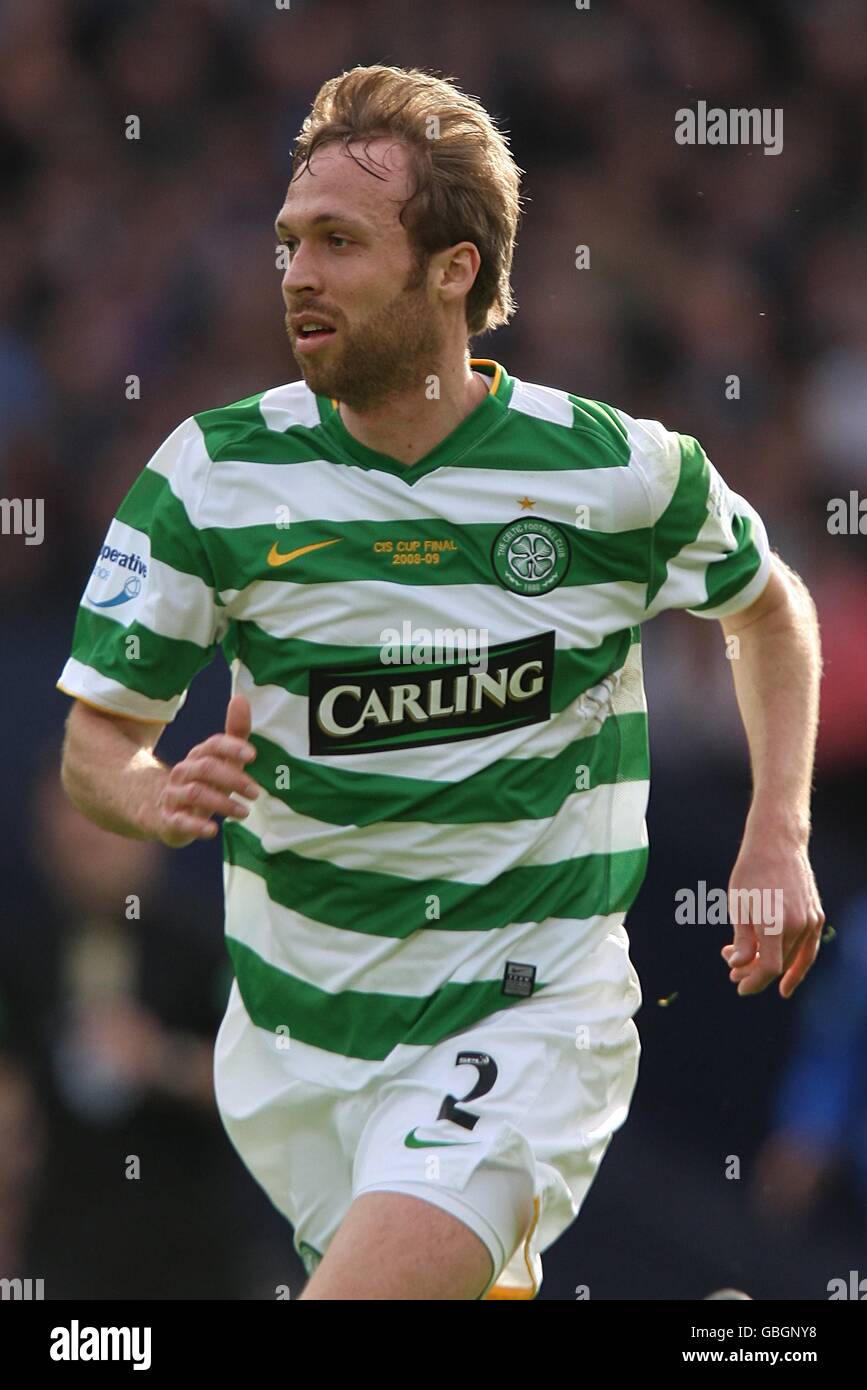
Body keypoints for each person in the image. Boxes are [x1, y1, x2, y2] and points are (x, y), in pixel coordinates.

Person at [55, 64, 825, 1301]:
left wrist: (776, 830)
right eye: (289, 242)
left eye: (341, 242)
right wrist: (148, 796)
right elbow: (96, 746)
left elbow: (768, 605)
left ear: (453, 269)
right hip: (299, 1045)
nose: (298, 273)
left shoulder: (614, 474)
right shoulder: (212, 475)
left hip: (525, 1018)